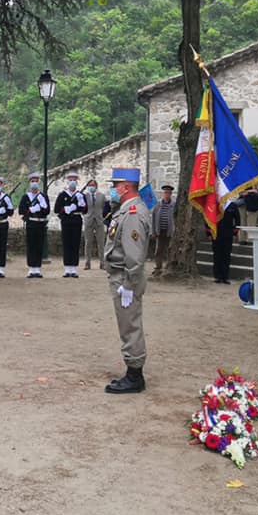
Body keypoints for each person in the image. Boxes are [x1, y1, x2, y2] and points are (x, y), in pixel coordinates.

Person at [102, 167, 151, 394]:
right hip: (122, 276)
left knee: (130, 325)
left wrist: (129, 285)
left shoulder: (132, 213)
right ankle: (133, 370)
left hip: (125, 278)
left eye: (116, 185)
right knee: (127, 323)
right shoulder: (125, 210)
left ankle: (134, 375)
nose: (113, 189)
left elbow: (134, 255)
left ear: (126, 187)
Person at [54, 172, 87, 277]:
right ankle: (67, 268)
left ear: (77, 182)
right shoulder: (62, 195)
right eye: (70, 180)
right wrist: (66, 208)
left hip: (76, 220)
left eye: (74, 180)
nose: (72, 182)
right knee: (67, 243)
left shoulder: (80, 195)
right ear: (67, 181)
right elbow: (56, 209)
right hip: (66, 221)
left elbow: (85, 210)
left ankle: (74, 268)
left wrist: (81, 203)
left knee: (75, 243)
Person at [18, 172, 50, 278]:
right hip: (31, 223)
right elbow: (21, 210)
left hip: (40, 223)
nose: (34, 183)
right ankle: (31, 269)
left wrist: (42, 206)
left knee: (39, 246)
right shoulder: (26, 197)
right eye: (32, 181)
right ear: (29, 183)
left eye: (36, 181)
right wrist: (31, 209)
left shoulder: (43, 196)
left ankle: (38, 269)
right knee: (31, 245)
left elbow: (47, 210)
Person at [211, 202, 240, 284]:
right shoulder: (214, 203)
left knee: (226, 255)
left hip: (228, 234)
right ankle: (217, 276)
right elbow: (208, 218)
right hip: (216, 233)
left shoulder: (232, 205)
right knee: (217, 255)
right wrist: (209, 232)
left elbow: (237, 220)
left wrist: (235, 233)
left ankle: (225, 277)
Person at [82, 178, 107, 270]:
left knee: (101, 243)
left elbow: (106, 206)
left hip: (99, 221)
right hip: (88, 220)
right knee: (88, 243)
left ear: (96, 186)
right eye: (90, 185)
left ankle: (102, 263)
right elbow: (82, 207)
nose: (92, 187)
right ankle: (87, 262)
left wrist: (103, 216)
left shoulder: (101, 196)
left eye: (93, 185)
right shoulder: (85, 196)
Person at [150, 185, 175, 274]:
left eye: (168, 193)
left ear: (171, 194)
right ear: (162, 194)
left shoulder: (174, 205)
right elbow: (153, 218)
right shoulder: (157, 205)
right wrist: (153, 231)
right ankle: (158, 267)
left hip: (169, 231)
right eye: (165, 193)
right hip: (160, 231)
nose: (166, 194)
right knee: (159, 250)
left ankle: (168, 266)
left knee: (169, 249)